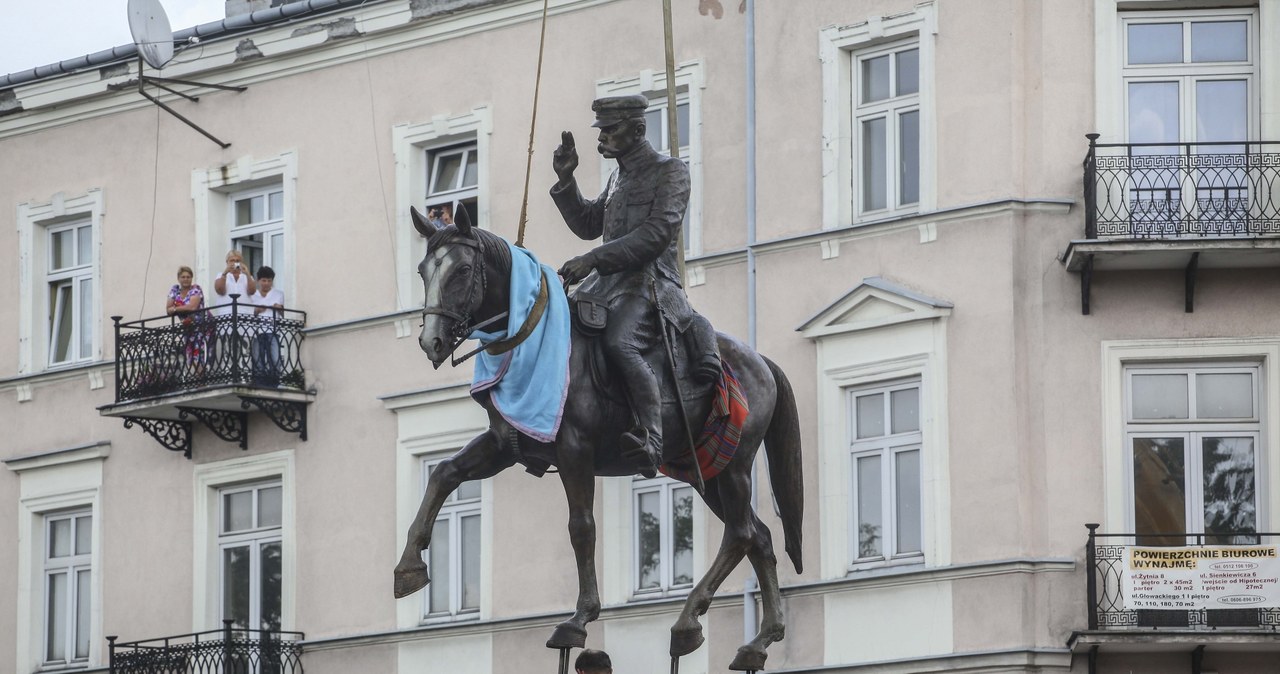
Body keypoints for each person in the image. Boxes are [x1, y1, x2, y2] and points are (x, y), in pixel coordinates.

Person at [551, 94, 719, 478]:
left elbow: (657, 234)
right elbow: (589, 224)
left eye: (610, 130)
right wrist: (566, 180)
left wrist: (593, 259)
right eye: (601, 131)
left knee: (618, 343)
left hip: (650, 284)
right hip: (605, 286)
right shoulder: (618, 177)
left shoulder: (670, 171)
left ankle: (651, 437)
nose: (601, 139)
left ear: (638, 129)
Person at [249, 266, 286, 387]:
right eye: (264, 280)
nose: (266, 283)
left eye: (269, 281)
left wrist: (279, 308)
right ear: (258, 280)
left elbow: (285, 314)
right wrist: (256, 311)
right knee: (258, 358)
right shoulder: (252, 295)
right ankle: (259, 383)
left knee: (275, 358)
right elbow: (247, 313)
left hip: (272, 330)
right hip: (256, 331)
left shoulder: (279, 294)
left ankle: (275, 382)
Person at [166, 265, 207, 366]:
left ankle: (201, 381)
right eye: (183, 277)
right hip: (187, 328)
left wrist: (175, 309)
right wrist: (181, 308)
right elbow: (168, 309)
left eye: (188, 277)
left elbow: (193, 307)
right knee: (190, 357)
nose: (186, 279)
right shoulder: (175, 290)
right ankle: (197, 380)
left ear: (191, 278)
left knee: (199, 357)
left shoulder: (196, 289)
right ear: (178, 278)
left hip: (201, 327)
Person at [212, 249, 257, 316]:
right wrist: (225, 273)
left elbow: (252, 291)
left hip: (245, 315)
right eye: (232, 261)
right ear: (227, 262)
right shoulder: (221, 275)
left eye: (237, 261)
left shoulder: (247, 276)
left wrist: (247, 274)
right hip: (226, 315)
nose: (235, 263)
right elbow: (220, 291)